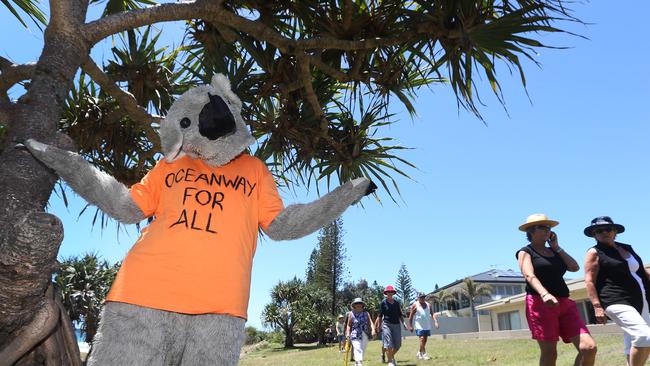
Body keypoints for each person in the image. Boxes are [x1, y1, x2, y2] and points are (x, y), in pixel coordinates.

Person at [516, 213, 597, 366]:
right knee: (550, 353)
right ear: (531, 231)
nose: (547, 230)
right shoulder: (526, 251)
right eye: (542, 227)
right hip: (541, 303)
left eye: (548, 227)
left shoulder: (554, 251)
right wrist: (544, 293)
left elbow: (574, 267)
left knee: (589, 348)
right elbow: (528, 274)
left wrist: (557, 247)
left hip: (565, 302)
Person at [584, 216, 650, 366]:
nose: (604, 232)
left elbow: (641, 271)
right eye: (599, 231)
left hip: (641, 299)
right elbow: (589, 281)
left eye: (608, 229)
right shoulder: (594, 252)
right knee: (644, 336)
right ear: (594, 235)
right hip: (615, 300)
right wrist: (597, 306)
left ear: (615, 232)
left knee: (634, 340)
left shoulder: (627, 248)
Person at [375, 285, 412, 366]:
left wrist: (404, 324)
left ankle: (391, 357)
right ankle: (390, 362)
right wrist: (378, 326)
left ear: (393, 293)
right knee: (389, 344)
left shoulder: (396, 303)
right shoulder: (383, 303)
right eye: (388, 292)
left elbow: (400, 315)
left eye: (391, 292)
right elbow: (380, 316)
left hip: (396, 325)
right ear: (386, 293)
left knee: (398, 345)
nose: (390, 293)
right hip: (386, 324)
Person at [408, 292, 439, 360]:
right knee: (422, 339)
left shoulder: (428, 305)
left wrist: (436, 321)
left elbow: (432, 314)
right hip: (419, 325)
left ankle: (419, 352)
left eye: (423, 297)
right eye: (421, 297)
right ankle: (424, 354)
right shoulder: (415, 305)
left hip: (427, 325)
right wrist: (410, 326)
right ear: (418, 298)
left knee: (425, 340)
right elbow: (410, 316)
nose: (422, 298)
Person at [346, 298, 376, 366]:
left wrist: (373, 330)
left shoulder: (366, 313)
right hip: (355, 334)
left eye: (360, 303)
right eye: (357, 304)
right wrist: (348, 333)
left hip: (364, 333)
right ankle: (359, 363)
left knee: (362, 349)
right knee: (357, 348)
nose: (358, 305)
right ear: (354, 305)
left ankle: (357, 363)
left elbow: (371, 322)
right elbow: (348, 325)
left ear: (362, 305)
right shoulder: (351, 314)